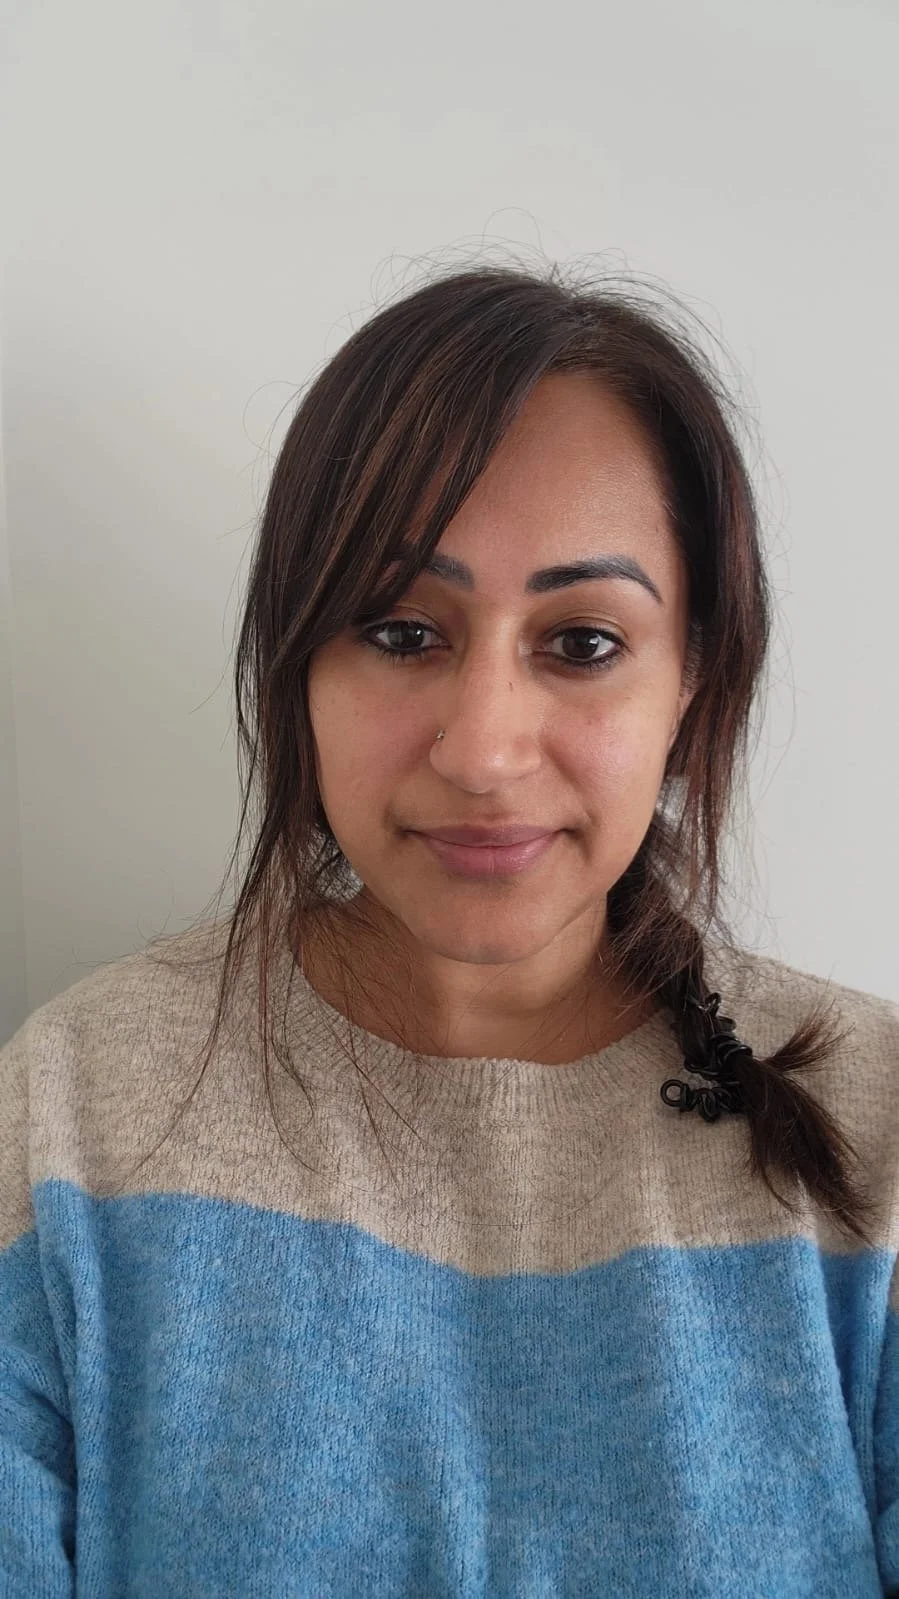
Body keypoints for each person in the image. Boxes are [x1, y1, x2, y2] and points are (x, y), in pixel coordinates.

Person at [1, 263, 897, 1597]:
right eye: (401, 629)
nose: (482, 751)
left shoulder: (876, 1128)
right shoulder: (77, 1111)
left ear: (692, 678)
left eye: (582, 643)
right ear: (298, 663)